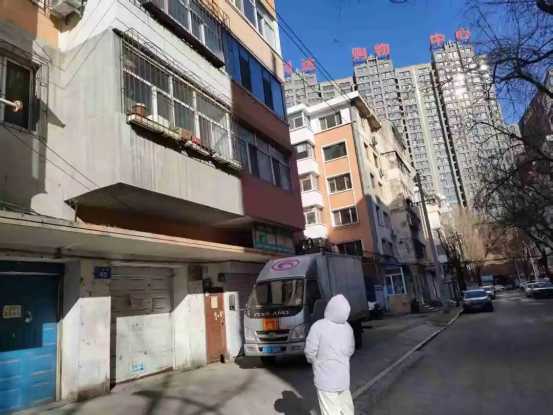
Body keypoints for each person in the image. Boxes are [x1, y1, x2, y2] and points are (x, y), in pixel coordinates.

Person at [304, 294, 355, 415]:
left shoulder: (318, 326)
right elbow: (350, 350)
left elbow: (310, 352)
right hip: (343, 377)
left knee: (330, 410)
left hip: (325, 379)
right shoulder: (348, 328)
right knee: (346, 408)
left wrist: (315, 361)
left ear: (329, 308)